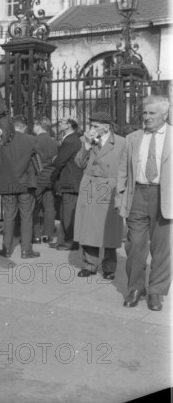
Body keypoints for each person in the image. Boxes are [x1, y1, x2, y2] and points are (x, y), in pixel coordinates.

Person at [116, 95, 172, 311]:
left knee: (162, 249)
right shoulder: (133, 138)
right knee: (135, 245)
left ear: (165, 114)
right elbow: (123, 171)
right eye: (145, 113)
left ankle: (156, 291)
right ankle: (136, 287)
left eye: (152, 113)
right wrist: (120, 198)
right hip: (137, 195)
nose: (147, 117)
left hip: (165, 197)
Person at [73, 111, 125, 279]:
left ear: (106, 127)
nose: (91, 129)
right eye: (91, 125)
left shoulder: (121, 142)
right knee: (88, 227)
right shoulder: (85, 141)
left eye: (95, 126)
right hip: (89, 184)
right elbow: (79, 164)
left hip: (109, 186)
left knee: (110, 228)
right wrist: (87, 146)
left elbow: (126, 168)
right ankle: (89, 265)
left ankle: (109, 268)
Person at [0, 115, 38, 258]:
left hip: (7, 183)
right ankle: (26, 250)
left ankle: (6, 249)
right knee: (26, 217)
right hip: (25, 183)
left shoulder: (1, 140)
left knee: (9, 216)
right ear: (24, 127)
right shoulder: (30, 139)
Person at [49, 117, 83, 251]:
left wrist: (55, 159)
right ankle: (62, 241)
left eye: (62, 123)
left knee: (68, 214)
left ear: (69, 125)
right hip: (69, 180)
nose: (59, 125)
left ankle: (70, 242)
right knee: (65, 212)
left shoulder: (70, 140)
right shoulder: (72, 138)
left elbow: (59, 162)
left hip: (70, 180)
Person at [32, 118, 58, 244]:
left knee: (35, 207)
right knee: (49, 207)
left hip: (37, 177)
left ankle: (36, 235)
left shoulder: (33, 141)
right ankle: (48, 235)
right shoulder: (55, 142)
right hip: (51, 177)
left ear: (37, 126)